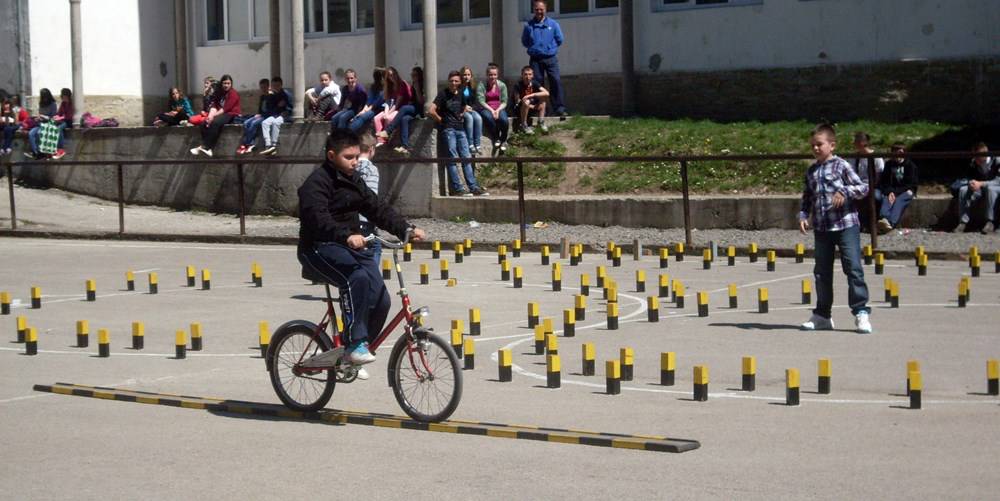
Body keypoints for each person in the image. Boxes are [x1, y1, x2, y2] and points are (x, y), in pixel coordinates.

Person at [297, 129, 426, 368]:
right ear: (331, 155)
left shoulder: (354, 180)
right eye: (349, 157)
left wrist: (405, 229)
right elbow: (319, 220)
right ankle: (354, 344)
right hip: (318, 248)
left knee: (382, 300)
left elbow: (377, 208)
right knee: (355, 277)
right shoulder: (316, 184)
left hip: (351, 246)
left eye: (357, 156)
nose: (355, 162)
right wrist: (347, 236)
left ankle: (359, 346)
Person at [798, 123, 872, 334]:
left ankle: (861, 312)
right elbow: (807, 196)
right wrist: (804, 215)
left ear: (832, 145)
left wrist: (845, 191)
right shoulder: (812, 170)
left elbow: (863, 188)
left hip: (845, 225)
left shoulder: (842, 166)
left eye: (819, 144)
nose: (815, 149)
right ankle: (822, 315)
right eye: (812, 145)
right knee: (821, 273)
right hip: (822, 228)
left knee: (853, 268)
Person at [430, 71, 488, 197]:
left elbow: (463, 107)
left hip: (460, 129)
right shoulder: (443, 94)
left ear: (460, 82)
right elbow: (431, 110)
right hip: (448, 130)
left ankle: (473, 187)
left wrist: (461, 114)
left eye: (456, 81)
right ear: (448, 81)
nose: (453, 83)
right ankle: (458, 188)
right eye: (451, 81)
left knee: (466, 157)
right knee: (452, 159)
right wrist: (441, 120)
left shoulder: (461, 93)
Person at [522, 0, 566, 119]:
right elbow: (525, 41)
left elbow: (560, 39)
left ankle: (559, 109)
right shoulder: (528, 26)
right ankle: (541, 109)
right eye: (537, 9)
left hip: (550, 58)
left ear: (545, 10)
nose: (539, 12)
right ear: (534, 10)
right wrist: (534, 48)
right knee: (537, 84)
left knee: (555, 81)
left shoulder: (553, 24)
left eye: (541, 9)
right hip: (535, 59)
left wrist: (550, 48)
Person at [952, 142, 999, 234]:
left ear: (985, 155)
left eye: (978, 156)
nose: (975, 158)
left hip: (995, 187)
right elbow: (969, 177)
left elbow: (998, 181)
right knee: (964, 190)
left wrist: (981, 183)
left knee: (991, 189)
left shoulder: (997, 161)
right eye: (974, 155)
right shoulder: (974, 163)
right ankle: (963, 222)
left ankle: (990, 222)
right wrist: (971, 182)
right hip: (980, 188)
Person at [190, 74, 241, 157]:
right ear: (221, 84)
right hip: (221, 113)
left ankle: (205, 147)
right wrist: (210, 116)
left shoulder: (233, 93)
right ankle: (207, 147)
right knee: (204, 123)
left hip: (231, 114)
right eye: (224, 83)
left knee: (214, 123)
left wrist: (213, 117)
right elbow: (215, 105)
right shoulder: (220, 93)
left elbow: (225, 108)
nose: (226, 85)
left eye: (228, 83)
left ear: (231, 84)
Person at [875, 143, 918, 234]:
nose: (897, 155)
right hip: (892, 189)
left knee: (899, 200)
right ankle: (884, 218)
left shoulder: (910, 166)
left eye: (900, 152)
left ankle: (891, 223)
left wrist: (895, 193)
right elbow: (884, 182)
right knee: (887, 198)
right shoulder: (889, 165)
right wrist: (890, 191)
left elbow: (910, 184)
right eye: (895, 152)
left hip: (906, 190)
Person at [386, 66, 424, 155]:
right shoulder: (413, 84)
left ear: (419, 76)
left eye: (415, 75)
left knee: (404, 108)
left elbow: (421, 102)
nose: (413, 77)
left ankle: (388, 131)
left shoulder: (422, 85)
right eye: (412, 75)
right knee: (404, 119)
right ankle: (405, 146)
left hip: (420, 109)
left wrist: (417, 89)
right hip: (414, 108)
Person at [356, 136, 382, 264]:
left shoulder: (350, 167)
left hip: (352, 219)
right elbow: (372, 198)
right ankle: (372, 278)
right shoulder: (371, 169)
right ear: (371, 149)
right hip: (366, 219)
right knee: (375, 247)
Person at [374, 67, 412, 147]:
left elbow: (397, 103)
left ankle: (387, 138)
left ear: (397, 73)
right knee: (376, 118)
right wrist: (386, 112)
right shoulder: (390, 86)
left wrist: (388, 114)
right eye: (390, 76)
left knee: (388, 118)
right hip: (391, 107)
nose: (392, 77)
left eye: (393, 74)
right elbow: (387, 101)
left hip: (400, 108)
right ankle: (381, 141)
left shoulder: (402, 84)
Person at [477, 63, 510, 153]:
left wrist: (498, 110)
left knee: (504, 120)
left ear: (497, 75)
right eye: (490, 74)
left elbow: (504, 101)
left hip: (499, 107)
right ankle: (496, 137)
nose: (492, 77)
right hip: (486, 107)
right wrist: (492, 110)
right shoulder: (482, 85)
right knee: (488, 117)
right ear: (487, 75)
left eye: (494, 74)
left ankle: (503, 140)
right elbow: (481, 101)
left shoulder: (502, 85)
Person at [237, 78, 273, 154]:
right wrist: (258, 114)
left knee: (254, 123)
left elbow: (271, 110)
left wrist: (261, 115)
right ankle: (250, 142)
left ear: (268, 87)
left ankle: (248, 143)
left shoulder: (271, 97)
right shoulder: (262, 97)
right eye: (261, 87)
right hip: (261, 115)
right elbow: (260, 108)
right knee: (246, 122)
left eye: (264, 87)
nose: (263, 89)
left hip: (267, 116)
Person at [259, 76, 292, 156]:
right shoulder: (273, 95)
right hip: (276, 114)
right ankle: (268, 145)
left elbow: (292, 106)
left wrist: (286, 110)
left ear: (281, 85)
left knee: (276, 123)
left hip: (285, 115)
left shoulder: (286, 94)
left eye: (277, 85)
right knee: (265, 123)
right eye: (274, 86)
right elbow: (271, 107)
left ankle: (274, 145)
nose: (275, 87)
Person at [512, 66, 549, 135]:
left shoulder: (534, 83)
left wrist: (531, 95)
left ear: (532, 75)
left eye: (530, 74)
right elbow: (517, 101)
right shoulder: (518, 85)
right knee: (526, 102)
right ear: (522, 75)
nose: (527, 77)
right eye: (525, 74)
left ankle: (541, 122)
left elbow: (547, 93)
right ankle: (524, 125)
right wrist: (528, 104)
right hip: (520, 109)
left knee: (543, 99)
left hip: (531, 107)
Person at [348, 68, 385, 134]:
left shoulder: (385, 87)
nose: (380, 79)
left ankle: (348, 134)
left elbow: (378, 102)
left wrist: (365, 111)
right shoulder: (374, 86)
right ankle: (348, 134)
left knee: (363, 117)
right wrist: (364, 110)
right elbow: (369, 99)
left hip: (379, 108)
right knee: (357, 117)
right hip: (371, 108)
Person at [25, 88, 58, 160]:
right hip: (40, 123)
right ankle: (35, 152)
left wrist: (44, 116)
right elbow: (40, 114)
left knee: (39, 133)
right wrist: (38, 118)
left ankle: (42, 152)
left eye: (45, 97)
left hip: (48, 124)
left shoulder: (53, 104)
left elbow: (53, 117)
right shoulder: (41, 103)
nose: (44, 99)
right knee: (31, 134)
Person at [460, 65, 483, 155]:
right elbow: (457, 101)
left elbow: (475, 101)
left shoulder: (472, 87)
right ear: (461, 76)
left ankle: (477, 144)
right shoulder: (459, 88)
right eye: (465, 75)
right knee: (469, 118)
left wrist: (472, 107)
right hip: (462, 110)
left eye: (468, 74)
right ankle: (470, 144)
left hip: (470, 109)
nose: (467, 77)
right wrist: (464, 107)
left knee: (478, 118)